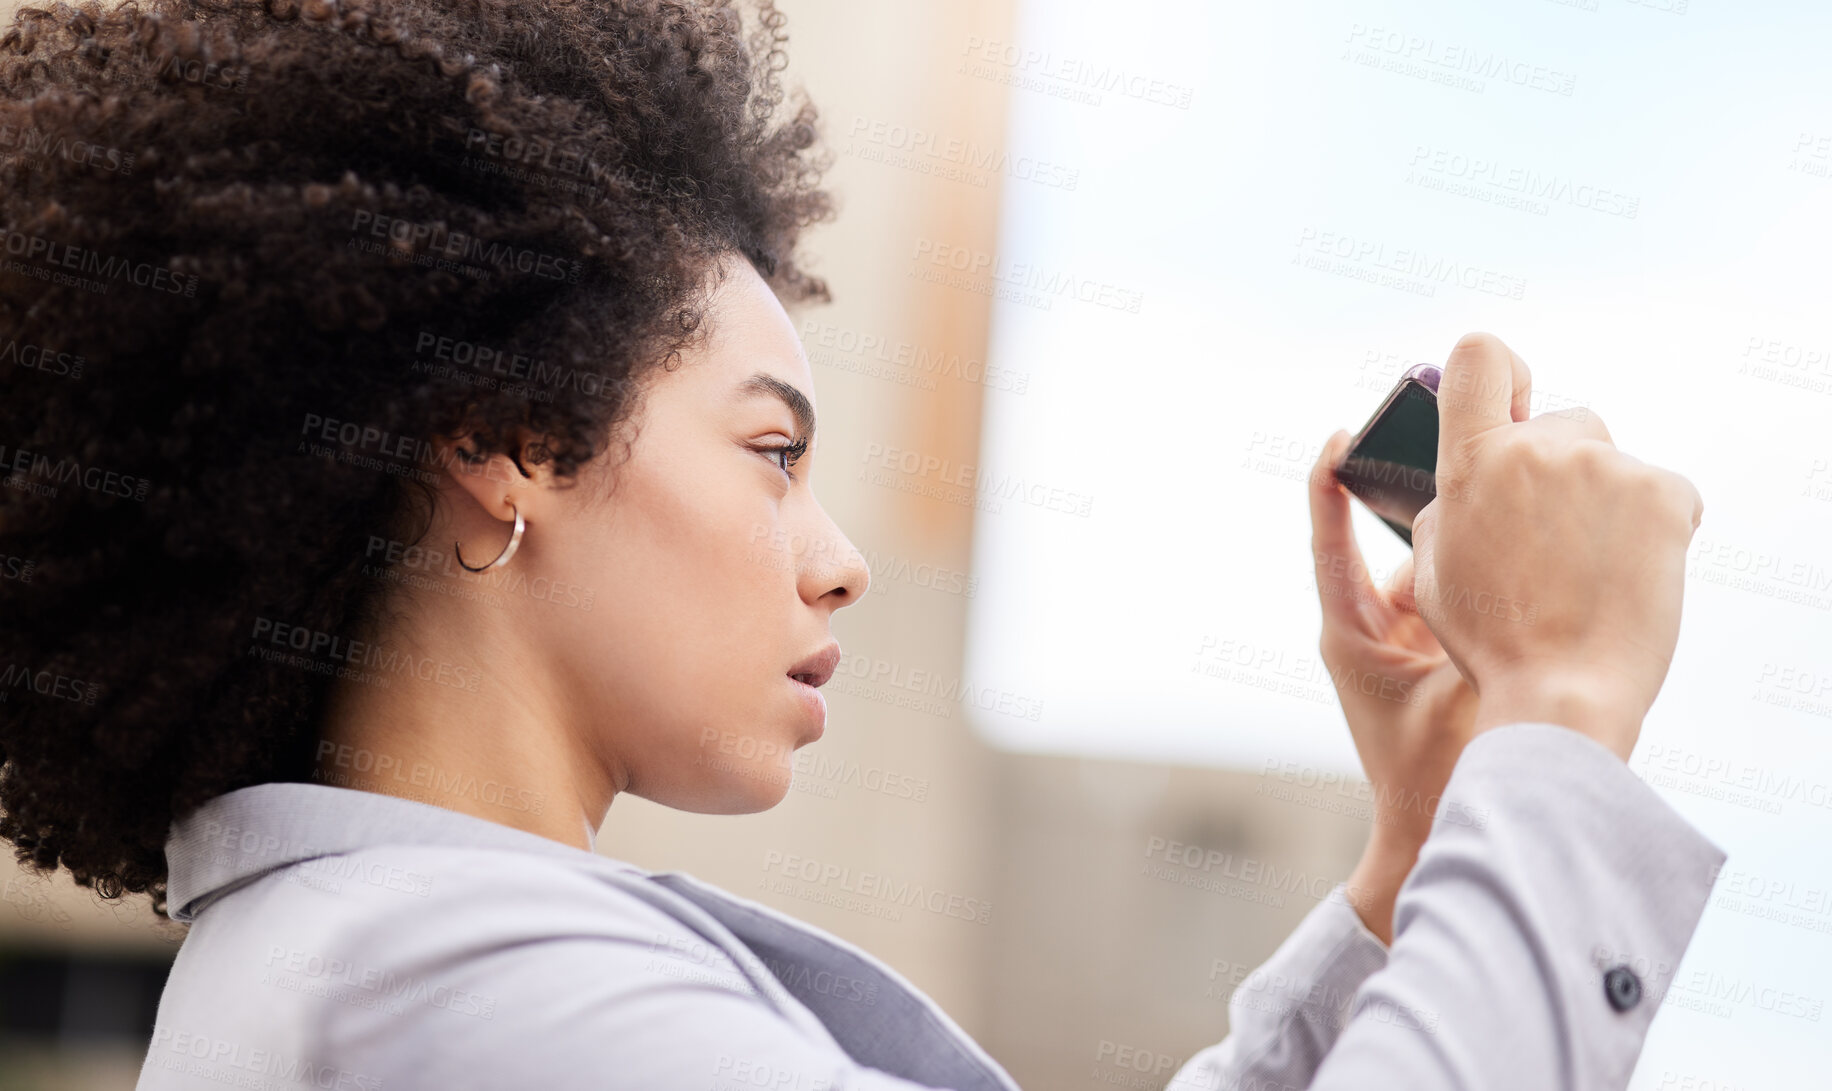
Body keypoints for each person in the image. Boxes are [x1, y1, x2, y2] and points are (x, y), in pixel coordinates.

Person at [0, 0, 1720, 1088]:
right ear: (507, 445)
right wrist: (1556, 713)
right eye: (770, 452)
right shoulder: (442, 985)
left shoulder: (392, 958)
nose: (839, 560)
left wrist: (1420, 855)